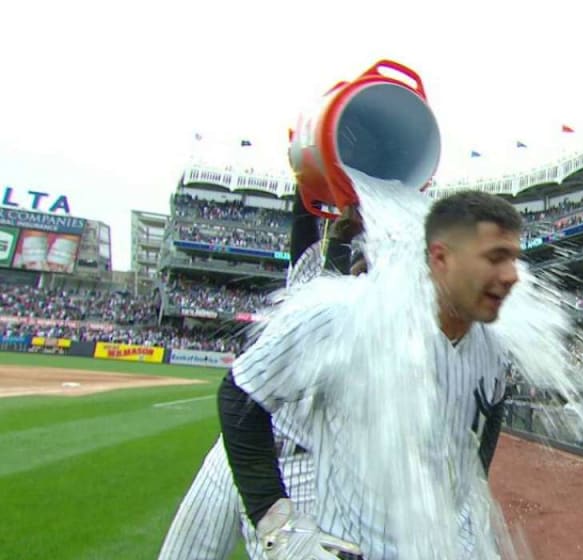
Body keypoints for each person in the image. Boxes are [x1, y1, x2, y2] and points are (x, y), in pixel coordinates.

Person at [218, 190, 521, 560]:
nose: (511, 277)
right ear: (441, 258)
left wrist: (471, 500)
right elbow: (240, 394)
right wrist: (278, 525)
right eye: (494, 258)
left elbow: (491, 411)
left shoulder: (492, 348)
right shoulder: (342, 315)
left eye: (513, 260)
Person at [157, 193, 361, 560]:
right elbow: (306, 231)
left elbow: (336, 293)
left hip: (299, 467)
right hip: (238, 443)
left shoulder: (374, 301)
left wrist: (346, 239)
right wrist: (307, 178)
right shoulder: (309, 271)